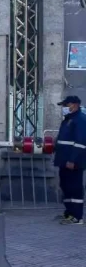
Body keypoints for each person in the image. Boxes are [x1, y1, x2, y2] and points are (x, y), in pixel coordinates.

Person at [54, 96, 86, 225]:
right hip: (64, 160)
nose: (64, 108)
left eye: (66, 105)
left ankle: (77, 216)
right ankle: (69, 212)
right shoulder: (68, 119)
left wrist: (72, 160)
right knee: (66, 186)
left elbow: (80, 142)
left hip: (73, 162)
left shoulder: (80, 120)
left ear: (75, 105)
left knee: (74, 187)